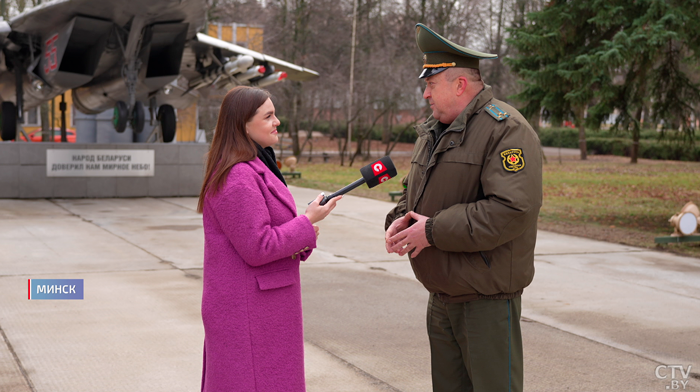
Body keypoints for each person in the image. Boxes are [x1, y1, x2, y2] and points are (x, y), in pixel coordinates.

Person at [385, 23, 542, 392]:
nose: (424, 94)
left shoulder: (506, 130)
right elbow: (415, 196)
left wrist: (431, 230)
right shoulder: (435, 130)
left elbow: (511, 209)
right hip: (442, 296)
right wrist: (398, 222)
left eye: (430, 84)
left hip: (485, 301)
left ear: (459, 84)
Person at [197, 86, 340, 391]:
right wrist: (307, 221)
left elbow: (267, 234)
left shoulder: (257, 167)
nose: (277, 121)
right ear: (243, 125)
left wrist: (303, 232)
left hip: (263, 308)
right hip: (248, 312)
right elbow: (257, 247)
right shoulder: (237, 176)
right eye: (268, 116)